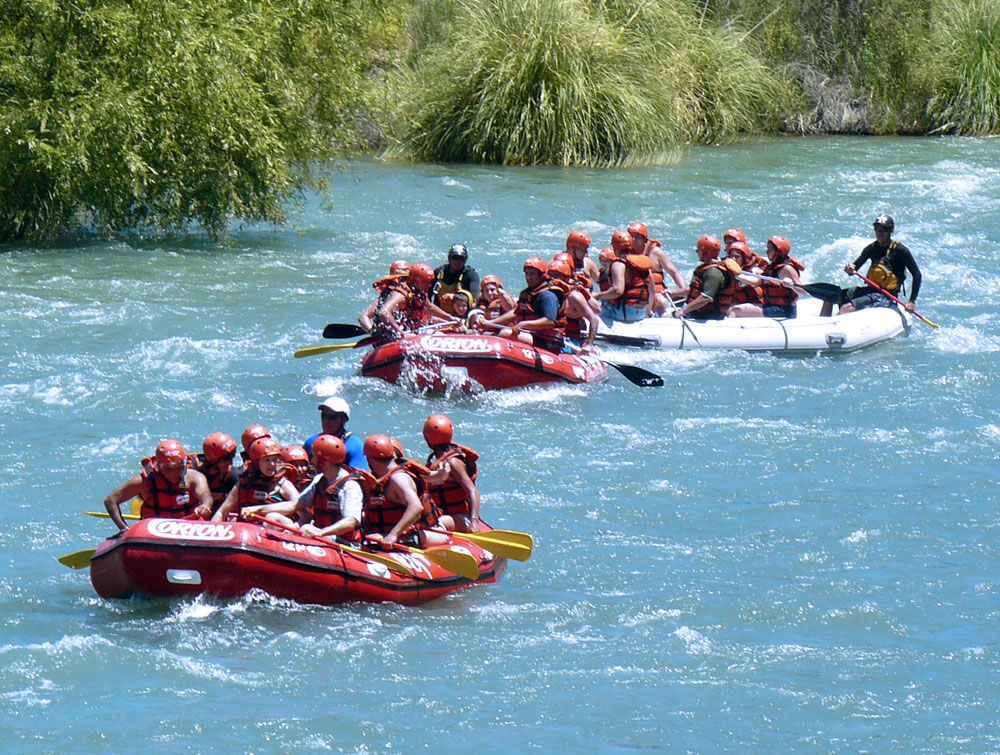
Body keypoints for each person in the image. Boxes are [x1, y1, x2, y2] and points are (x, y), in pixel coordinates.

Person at [103, 439, 213, 531]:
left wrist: (205, 505)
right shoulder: (144, 482)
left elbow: (205, 495)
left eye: (179, 468)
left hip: (189, 529)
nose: (175, 473)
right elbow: (111, 500)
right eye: (169, 469)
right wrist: (124, 529)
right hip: (155, 533)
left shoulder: (194, 477)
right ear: (159, 466)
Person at [360, 434, 448, 549]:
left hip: (421, 533)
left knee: (371, 542)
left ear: (369, 459)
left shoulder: (398, 478)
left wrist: (393, 535)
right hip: (392, 533)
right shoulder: (382, 477)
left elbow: (416, 507)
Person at [827, 214, 922, 316]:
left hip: (886, 295)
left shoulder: (900, 250)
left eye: (883, 229)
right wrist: (849, 269)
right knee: (832, 297)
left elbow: (917, 274)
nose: (879, 233)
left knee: (846, 308)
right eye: (877, 229)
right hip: (870, 290)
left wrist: (912, 301)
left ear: (890, 231)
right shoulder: (872, 248)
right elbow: (854, 269)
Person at [285, 434, 365, 541]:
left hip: (345, 543)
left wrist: (321, 532)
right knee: (273, 517)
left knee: (306, 528)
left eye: (313, 457)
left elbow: (350, 522)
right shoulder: (319, 479)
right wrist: (259, 509)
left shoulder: (350, 486)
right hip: (322, 534)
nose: (312, 461)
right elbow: (296, 505)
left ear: (323, 461)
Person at [488, 257, 566, 353]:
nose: (528, 277)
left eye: (532, 274)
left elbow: (549, 321)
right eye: (526, 274)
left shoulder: (548, 295)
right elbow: (516, 313)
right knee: (491, 334)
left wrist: (523, 324)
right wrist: (491, 323)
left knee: (505, 333)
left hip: (549, 341)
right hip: (531, 335)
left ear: (542, 275)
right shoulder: (527, 293)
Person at [212, 437, 299, 522]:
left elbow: (297, 505)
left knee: (272, 517)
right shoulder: (244, 483)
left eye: (274, 459)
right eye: (267, 460)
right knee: (233, 520)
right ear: (256, 462)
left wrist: (258, 509)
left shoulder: (283, 483)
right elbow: (221, 513)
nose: (272, 464)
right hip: (249, 532)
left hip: (275, 529)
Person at [422, 414, 481, 533]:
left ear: (428, 439)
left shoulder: (453, 462)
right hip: (446, 515)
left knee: (440, 522)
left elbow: (473, 491)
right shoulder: (436, 461)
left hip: (463, 519)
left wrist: (474, 522)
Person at [728, 235, 805, 318]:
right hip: (770, 306)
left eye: (770, 250)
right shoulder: (772, 268)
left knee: (736, 310)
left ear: (778, 252)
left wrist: (791, 285)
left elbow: (803, 291)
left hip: (782, 310)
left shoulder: (787, 269)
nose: (767, 252)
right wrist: (735, 274)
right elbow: (755, 282)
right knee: (730, 308)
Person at [670, 235, 741, 320]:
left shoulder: (713, 273)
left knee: (665, 316)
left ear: (705, 253)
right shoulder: (707, 268)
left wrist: (683, 311)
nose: (697, 252)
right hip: (699, 312)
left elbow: (706, 297)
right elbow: (696, 289)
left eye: (699, 250)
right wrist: (674, 293)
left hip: (708, 314)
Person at [593, 230, 655, 325]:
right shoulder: (643, 262)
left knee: (598, 301)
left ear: (614, 247)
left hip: (623, 314)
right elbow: (651, 290)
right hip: (641, 313)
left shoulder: (618, 264)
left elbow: (617, 291)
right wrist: (648, 310)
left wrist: (597, 296)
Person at [377, 262, 452, 338]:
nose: (429, 286)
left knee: (440, 335)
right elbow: (384, 312)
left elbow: (430, 307)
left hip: (412, 329)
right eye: (426, 282)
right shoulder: (400, 296)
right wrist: (399, 331)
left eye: (430, 282)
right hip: (394, 334)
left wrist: (450, 318)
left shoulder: (421, 293)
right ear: (415, 282)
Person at [547, 256, 599, 351]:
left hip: (569, 340)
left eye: (557, 275)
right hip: (549, 336)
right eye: (551, 275)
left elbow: (594, 319)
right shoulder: (545, 292)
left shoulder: (573, 296)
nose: (553, 279)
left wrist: (589, 344)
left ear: (566, 278)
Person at [304, 396, 367, 471]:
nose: (327, 421)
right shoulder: (311, 442)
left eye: (333, 417)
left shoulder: (354, 446)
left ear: (344, 420)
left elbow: (360, 476)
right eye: (324, 415)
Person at [628, 222, 685, 293]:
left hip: (656, 295)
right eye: (631, 237)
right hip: (633, 296)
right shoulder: (623, 252)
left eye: (637, 237)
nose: (633, 240)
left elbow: (674, 273)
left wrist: (683, 289)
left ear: (644, 239)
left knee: (662, 301)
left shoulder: (656, 252)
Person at [191, 432, 239, 515]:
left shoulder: (232, 476)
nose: (231, 462)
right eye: (227, 458)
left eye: (232, 456)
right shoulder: (193, 470)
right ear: (214, 460)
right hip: (195, 517)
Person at [359, 260, 410, 335]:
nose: (404, 283)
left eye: (406, 279)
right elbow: (363, 317)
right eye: (402, 279)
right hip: (394, 335)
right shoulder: (387, 297)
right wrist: (373, 332)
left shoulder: (413, 294)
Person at [433, 244, 480, 313]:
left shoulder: (470, 275)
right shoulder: (438, 273)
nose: (458, 262)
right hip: (439, 316)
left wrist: (455, 297)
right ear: (449, 259)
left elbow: (475, 298)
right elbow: (427, 294)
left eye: (461, 259)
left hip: (460, 318)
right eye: (455, 258)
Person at [726, 241, 764, 307]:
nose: (733, 259)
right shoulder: (728, 269)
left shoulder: (754, 269)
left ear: (744, 258)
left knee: (734, 310)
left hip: (757, 304)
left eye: (737, 256)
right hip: (741, 303)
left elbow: (756, 281)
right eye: (731, 256)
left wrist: (736, 274)